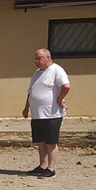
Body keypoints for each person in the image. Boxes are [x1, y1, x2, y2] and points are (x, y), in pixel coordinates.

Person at [22, 49, 70, 178]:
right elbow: (31, 91)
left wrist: (59, 99)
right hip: (38, 114)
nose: (36, 61)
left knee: (51, 142)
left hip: (51, 114)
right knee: (41, 141)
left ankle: (51, 168)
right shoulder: (37, 73)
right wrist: (26, 107)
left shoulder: (56, 70)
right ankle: (42, 166)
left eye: (39, 59)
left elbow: (66, 86)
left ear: (48, 58)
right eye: (35, 59)